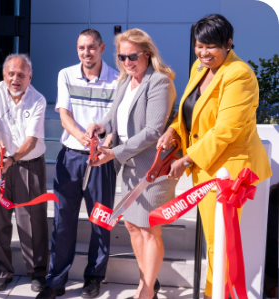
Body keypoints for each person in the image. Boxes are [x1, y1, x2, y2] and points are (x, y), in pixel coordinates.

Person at [157, 14, 272, 299]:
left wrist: (186, 158)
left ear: (229, 44)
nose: (204, 53)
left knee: (219, 242)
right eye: (199, 45)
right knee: (214, 240)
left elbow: (226, 130)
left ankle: (216, 295)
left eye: (212, 47)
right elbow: (191, 112)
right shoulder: (201, 68)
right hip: (205, 165)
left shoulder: (239, 74)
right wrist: (172, 131)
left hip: (228, 171)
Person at [86, 28, 177, 299]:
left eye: (132, 56)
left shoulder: (160, 82)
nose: (127, 62)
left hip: (152, 168)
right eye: (122, 57)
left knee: (149, 229)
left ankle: (146, 290)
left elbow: (152, 131)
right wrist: (102, 130)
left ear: (147, 54)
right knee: (132, 226)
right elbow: (115, 120)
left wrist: (115, 153)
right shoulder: (125, 82)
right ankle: (145, 281)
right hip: (128, 168)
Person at [37, 29, 117, 299]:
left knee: (100, 221)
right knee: (63, 220)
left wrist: (104, 144)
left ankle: (94, 277)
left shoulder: (119, 79)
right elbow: (65, 115)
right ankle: (55, 281)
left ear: (102, 48)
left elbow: (115, 122)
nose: (86, 53)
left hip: (101, 160)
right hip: (70, 156)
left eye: (92, 47)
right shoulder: (66, 74)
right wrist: (81, 136)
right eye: (81, 48)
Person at [0, 53, 49, 293]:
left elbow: (31, 141)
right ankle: (3, 271)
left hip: (28, 165)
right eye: (11, 74)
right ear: (4, 75)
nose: (15, 79)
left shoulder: (38, 100)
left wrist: (12, 158)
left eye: (21, 75)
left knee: (32, 220)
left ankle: (37, 272)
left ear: (30, 76)